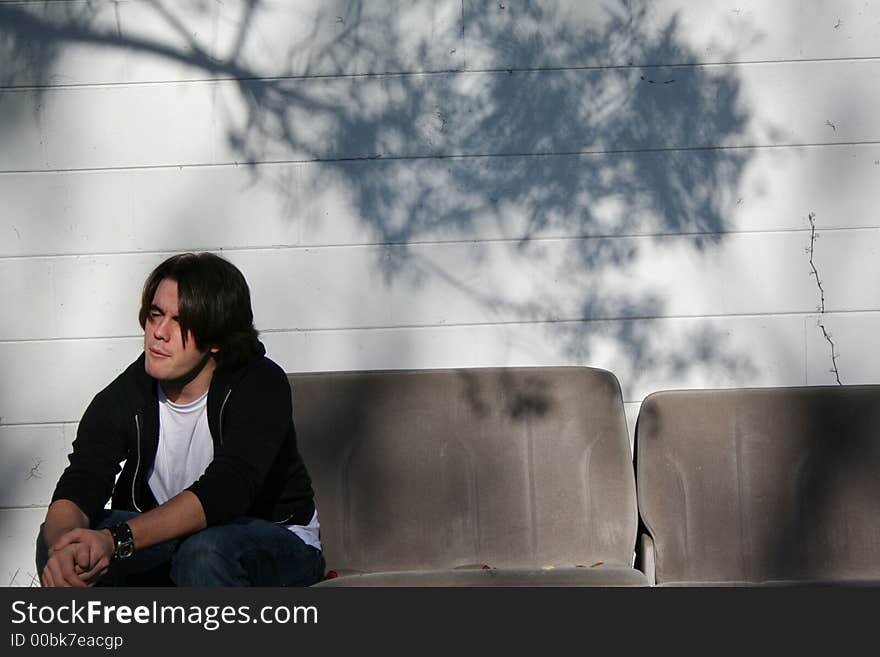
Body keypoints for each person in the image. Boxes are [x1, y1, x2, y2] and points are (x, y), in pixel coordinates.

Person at [37, 252, 324, 587]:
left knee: (205, 553)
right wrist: (63, 548)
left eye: (180, 322)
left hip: (272, 538)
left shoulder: (260, 384)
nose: (159, 332)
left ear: (216, 338)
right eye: (155, 315)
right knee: (62, 538)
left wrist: (115, 540)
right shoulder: (125, 396)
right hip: (172, 541)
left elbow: (228, 490)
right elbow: (81, 481)